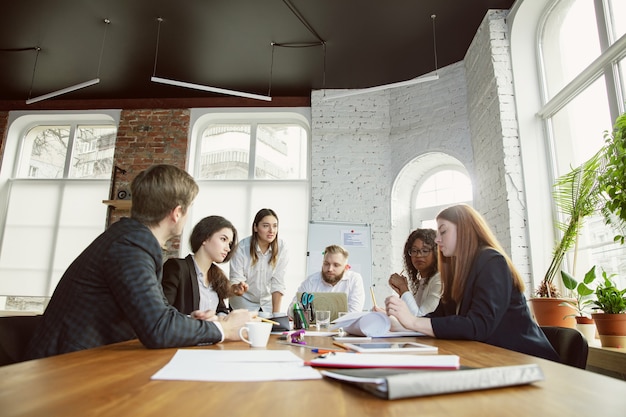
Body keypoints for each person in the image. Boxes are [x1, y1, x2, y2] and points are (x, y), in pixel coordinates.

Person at [25, 164, 255, 360]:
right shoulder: (131, 246)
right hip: (63, 368)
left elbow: (155, 313)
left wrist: (188, 321)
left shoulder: (129, 238)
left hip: (84, 360)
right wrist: (223, 328)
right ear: (177, 213)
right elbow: (158, 328)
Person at [384, 204, 560, 362]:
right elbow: (440, 317)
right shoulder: (458, 270)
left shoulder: (492, 261)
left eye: (443, 231)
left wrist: (413, 323)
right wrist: (402, 323)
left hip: (529, 362)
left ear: (465, 230)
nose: (437, 240)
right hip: (493, 359)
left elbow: (479, 325)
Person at [162, 215, 238, 316]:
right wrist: (196, 321)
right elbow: (163, 313)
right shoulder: (177, 268)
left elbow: (222, 310)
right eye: (223, 239)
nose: (228, 248)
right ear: (205, 238)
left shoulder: (216, 276)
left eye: (230, 243)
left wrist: (221, 319)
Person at [229, 208, 289, 314]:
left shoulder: (281, 247)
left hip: (267, 305)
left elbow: (278, 283)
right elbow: (236, 279)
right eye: (266, 226)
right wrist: (238, 287)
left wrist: (276, 315)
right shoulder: (242, 248)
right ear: (255, 227)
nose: (271, 230)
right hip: (243, 304)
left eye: (275, 226)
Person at [289, 244, 365, 314]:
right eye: (326, 264)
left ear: (346, 268)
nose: (330, 269)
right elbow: (292, 309)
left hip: (343, 328)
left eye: (336, 265)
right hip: (314, 328)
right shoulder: (311, 281)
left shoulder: (354, 279)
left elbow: (354, 313)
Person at [388, 228, 441, 316]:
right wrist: (402, 292)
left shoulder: (439, 280)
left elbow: (421, 318)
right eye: (414, 251)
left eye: (425, 251)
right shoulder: (423, 280)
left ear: (436, 253)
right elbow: (409, 315)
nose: (418, 255)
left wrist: (403, 287)